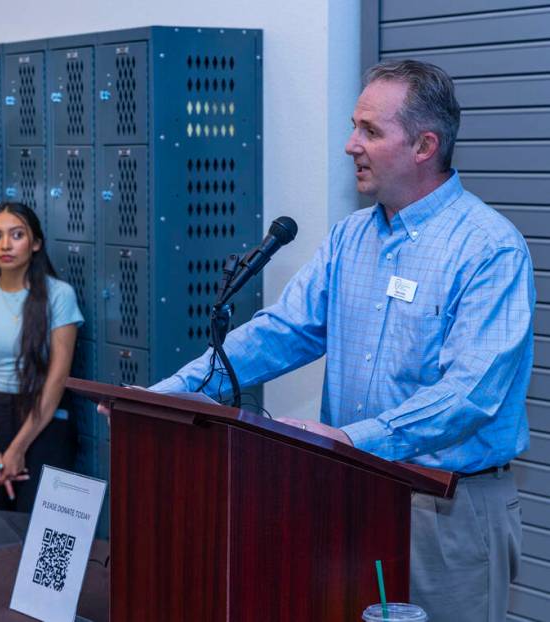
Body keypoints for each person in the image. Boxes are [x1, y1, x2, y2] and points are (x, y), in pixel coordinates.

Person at [145, 60, 532, 622]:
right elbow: (284, 331)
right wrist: (169, 395)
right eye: (354, 126)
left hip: (445, 507)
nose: (350, 144)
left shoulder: (488, 248)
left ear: (425, 145)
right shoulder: (351, 236)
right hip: (347, 493)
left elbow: (471, 392)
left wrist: (353, 440)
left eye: (370, 131)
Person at [0, 203, 82, 511]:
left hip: (45, 419)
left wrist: (17, 448)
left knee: (40, 524)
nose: (5, 244)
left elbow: (57, 379)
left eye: (17, 235)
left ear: (36, 242)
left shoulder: (59, 295)